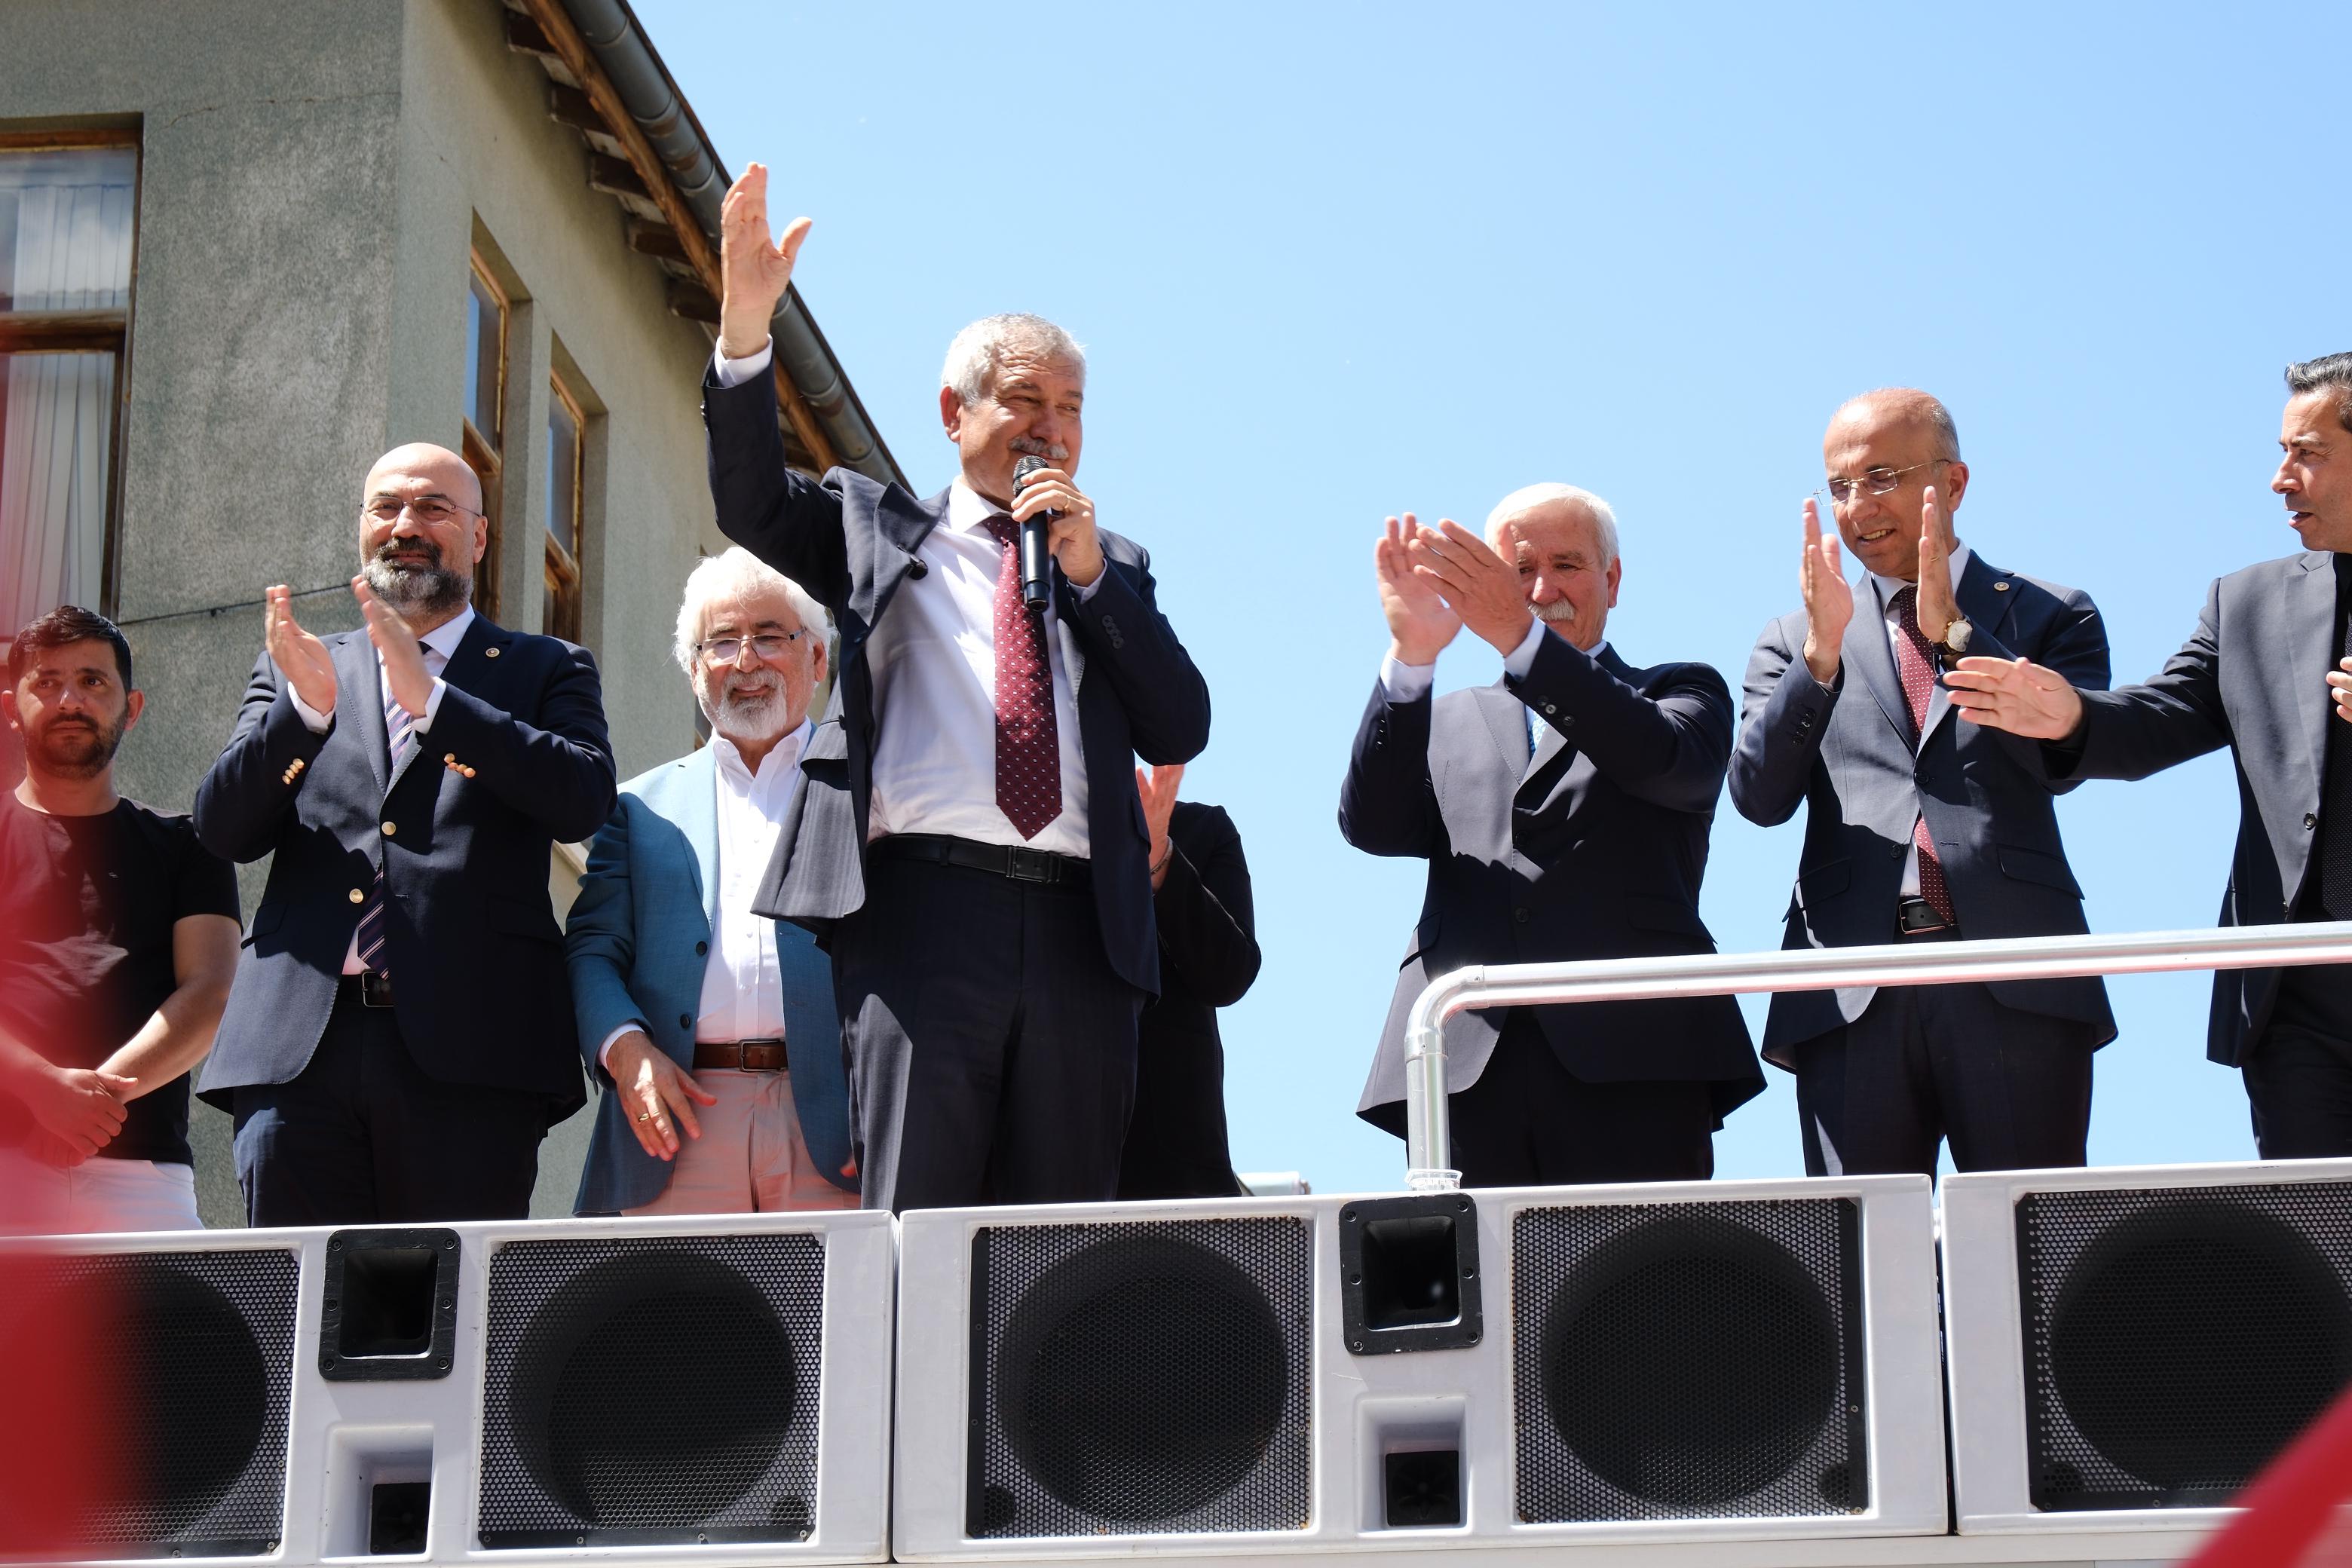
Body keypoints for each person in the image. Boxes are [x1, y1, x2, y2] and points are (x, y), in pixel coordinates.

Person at [701, 165, 1210, 1214]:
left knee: (1059, 1238)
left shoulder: (1108, 564)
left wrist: (1090, 578)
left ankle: (1041, 1390)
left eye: (1071, 408)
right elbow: (752, 500)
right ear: (954, 410)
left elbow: (1180, 721)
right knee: (918, 1225)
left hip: (1083, 931)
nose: (1052, 429)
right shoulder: (878, 530)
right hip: (925, 918)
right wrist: (747, 333)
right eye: (1026, 400)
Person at [193, 443, 614, 1225]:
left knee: (447, 1329)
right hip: (297, 1055)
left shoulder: (546, 668)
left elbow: (584, 800)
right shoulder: (300, 666)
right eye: (386, 507)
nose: (406, 526)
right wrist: (305, 715)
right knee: (298, 1322)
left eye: (433, 508)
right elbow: (223, 827)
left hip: (472, 1057)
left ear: (480, 538)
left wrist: (440, 705)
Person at [1949, 354, 2352, 1159]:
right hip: (2298, 1001)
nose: (2281, 478)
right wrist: (2068, 713)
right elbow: (2159, 717)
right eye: (2283, 452)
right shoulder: (2246, 603)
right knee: (2326, 1264)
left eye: (2306, 453)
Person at [1730, 390, 2114, 1178]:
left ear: (1955, 483)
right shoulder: (1793, 638)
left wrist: (1955, 637)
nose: (1856, 506)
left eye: (1880, 478)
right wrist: (1821, 658)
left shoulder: (2053, 616)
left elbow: (2060, 758)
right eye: (1838, 486)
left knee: (2025, 1256)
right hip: (1850, 987)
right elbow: (1758, 797)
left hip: (2014, 974)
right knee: (1867, 1271)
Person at [1343, 487, 1763, 1187]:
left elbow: (1663, 762)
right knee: (1482, 1291)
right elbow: (1373, 826)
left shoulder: (1681, 692)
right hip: (1465, 1061)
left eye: (1567, 564)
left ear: (1613, 580)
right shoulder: (1442, 716)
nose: (1542, 588)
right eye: (1520, 568)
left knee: (1642, 1288)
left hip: (1639, 1054)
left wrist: (1521, 642)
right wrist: (1412, 658)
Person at [565, 550, 859, 1214]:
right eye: (722, 642)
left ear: (817, 661)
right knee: (678, 1319)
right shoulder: (638, 807)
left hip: (837, 1123)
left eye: (770, 636)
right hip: (677, 1126)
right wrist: (626, 1049)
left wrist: (891, 1092)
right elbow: (591, 950)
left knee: (838, 1320)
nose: (747, 661)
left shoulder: (871, 798)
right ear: (695, 671)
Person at [0, 608, 239, 1233]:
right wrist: (41, 1088)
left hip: (145, 1177)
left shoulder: (188, 844)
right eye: (46, 682)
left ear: (131, 708)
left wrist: (98, 1099)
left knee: (173, 1336)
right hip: (6, 1167)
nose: (69, 699)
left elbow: (212, 992)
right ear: (11, 707)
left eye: (92, 681)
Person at [1116, 763, 1261, 1199]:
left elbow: (1229, 975)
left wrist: (1159, 856)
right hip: (1029, 1165)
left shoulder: (1201, 830)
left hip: (1167, 1182)